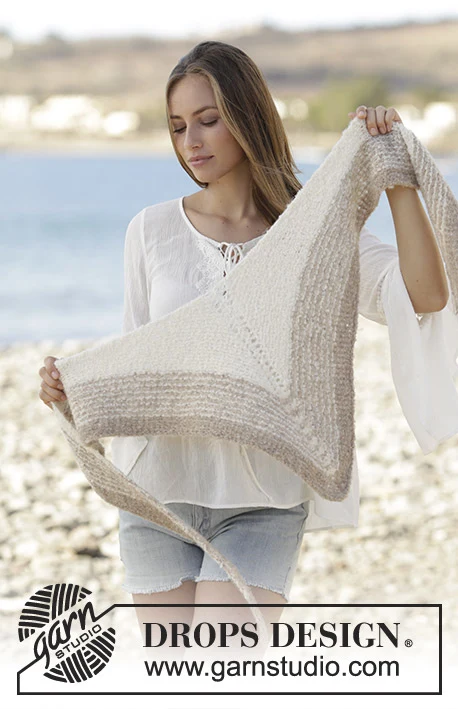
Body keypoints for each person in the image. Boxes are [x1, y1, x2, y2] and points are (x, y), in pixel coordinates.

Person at [38, 41, 449, 660]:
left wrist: (394, 178)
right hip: (158, 493)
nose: (192, 142)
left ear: (248, 116)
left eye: (209, 119)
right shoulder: (151, 230)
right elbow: (139, 352)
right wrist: (72, 385)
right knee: (173, 684)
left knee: (223, 672)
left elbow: (425, 295)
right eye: (178, 126)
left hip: (265, 502)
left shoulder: (314, 232)